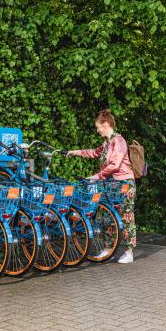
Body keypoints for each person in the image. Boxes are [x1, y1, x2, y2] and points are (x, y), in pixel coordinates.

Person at [67, 109, 136, 264]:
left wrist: (97, 176)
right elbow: (93, 153)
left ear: (106, 125)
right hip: (110, 184)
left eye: (98, 127)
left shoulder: (119, 141)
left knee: (126, 217)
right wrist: (75, 152)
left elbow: (115, 164)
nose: (97, 130)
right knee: (106, 215)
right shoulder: (106, 143)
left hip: (124, 184)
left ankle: (129, 252)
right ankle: (108, 248)